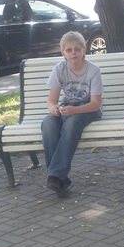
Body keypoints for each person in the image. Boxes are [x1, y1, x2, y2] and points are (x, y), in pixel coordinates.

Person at [41, 31, 103, 197]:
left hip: (88, 109)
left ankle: (54, 175)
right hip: (67, 108)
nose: (73, 53)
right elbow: (51, 100)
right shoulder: (59, 69)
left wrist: (74, 110)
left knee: (71, 123)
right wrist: (53, 109)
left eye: (77, 49)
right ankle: (59, 180)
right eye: (69, 50)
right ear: (63, 53)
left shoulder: (93, 70)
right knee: (48, 123)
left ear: (84, 50)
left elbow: (95, 104)